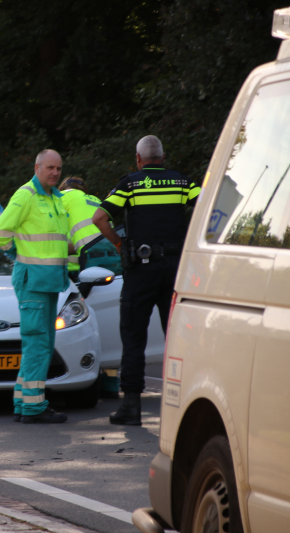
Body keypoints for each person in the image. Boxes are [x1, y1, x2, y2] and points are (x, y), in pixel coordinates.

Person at [92, 135, 200, 425]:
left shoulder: (130, 184)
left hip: (140, 270)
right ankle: (186, 404)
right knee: (178, 337)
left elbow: (99, 218)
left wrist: (118, 244)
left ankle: (131, 407)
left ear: (138, 159)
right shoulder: (183, 182)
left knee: (133, 337)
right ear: (163, 158)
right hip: (175, 269)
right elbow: (212, 212)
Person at [0, 149, 70, 424]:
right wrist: (17, 255)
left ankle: (23, 402)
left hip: (47, 282)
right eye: (50, 167)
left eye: (58, 169)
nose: (55, 173)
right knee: (38, 343)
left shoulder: (53, 197)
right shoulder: (27, 195)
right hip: (33, 281)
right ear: (37, 167)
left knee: (40, 343)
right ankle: (34, 407)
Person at [58, 176, 121, 399]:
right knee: (107, 323)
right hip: (110, 270)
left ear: (64, 188)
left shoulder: (62, 197)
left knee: (73, 326)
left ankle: (74, 374)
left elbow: (54, 240)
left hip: (76, 272)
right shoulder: (95, 201)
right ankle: (111, 382)